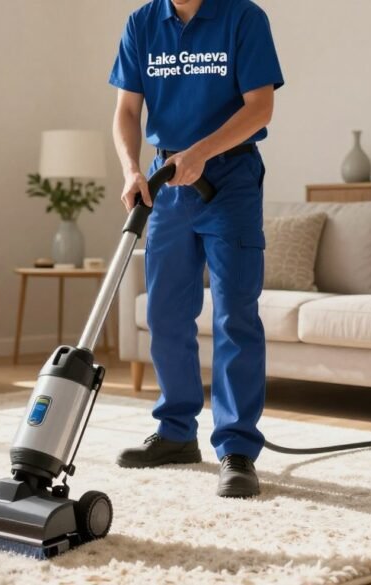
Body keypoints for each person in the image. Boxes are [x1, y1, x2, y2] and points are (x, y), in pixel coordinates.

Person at [109, 0, 283, 498]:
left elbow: (260, 107)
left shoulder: (243, 18)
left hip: (231, 178)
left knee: (234, 314)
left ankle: (237, 448)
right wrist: (131, 170)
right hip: (166, 181)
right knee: (164, 312)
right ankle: (176, 432)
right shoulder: (142, 24)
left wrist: (202, 152)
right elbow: (126, 111)